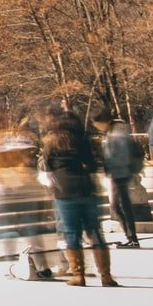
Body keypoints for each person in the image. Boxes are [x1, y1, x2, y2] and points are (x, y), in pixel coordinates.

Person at [39, 104, 115, 286]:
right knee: (94, 231)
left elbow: (46, 167)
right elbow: (92, 164)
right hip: (85, 187)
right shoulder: (83, 141)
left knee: (71, 232)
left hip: (64, 191)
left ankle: (78, 275)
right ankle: (106, 275)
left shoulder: (51, 140)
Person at [100, 117, 144, 249]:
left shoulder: (115, 138)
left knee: (118, 206)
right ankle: (131, 237)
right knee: (121, 206)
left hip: (118, 175)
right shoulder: (125, 137)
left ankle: (132, 237)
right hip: (123, 174)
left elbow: (113, 158)